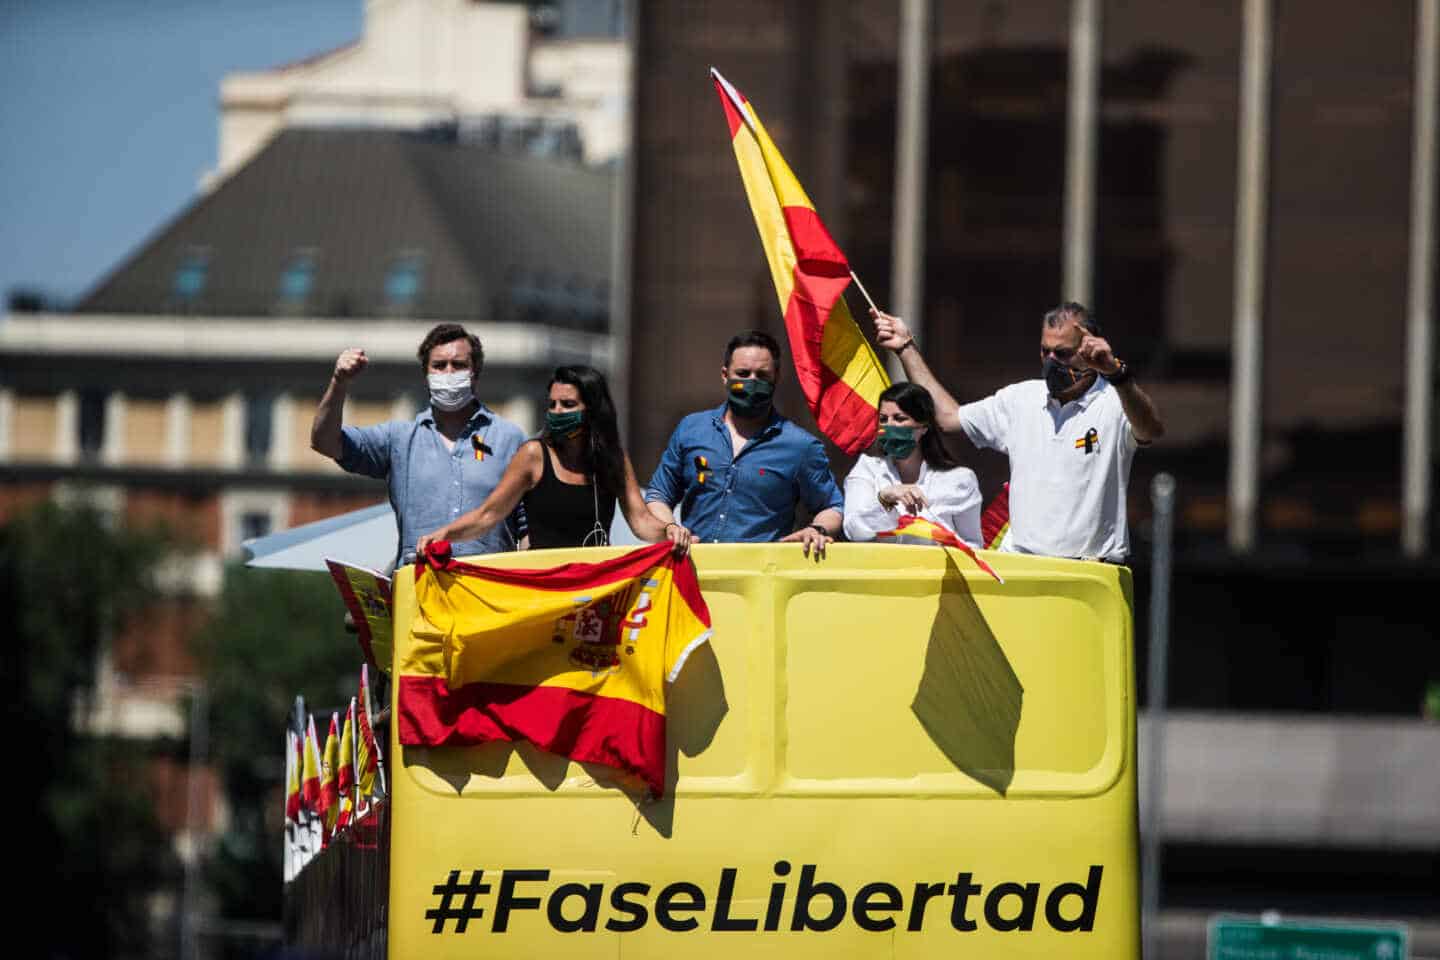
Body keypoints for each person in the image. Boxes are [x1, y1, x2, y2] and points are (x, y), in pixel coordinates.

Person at [872, 301, 1164, 562]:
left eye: (1062, 353)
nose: (1051, 361)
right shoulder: (1020, 399)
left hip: (1088, 572)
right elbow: (948, 418)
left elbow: (1150, 429)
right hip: (1022, 565)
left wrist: (1116, 374)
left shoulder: (1115, 402)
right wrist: (906, 348)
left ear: (1088, 352)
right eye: (1045, 350)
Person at [310, 323, 527, 567]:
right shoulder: (399, 439)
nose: (448, 372)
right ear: (426, 374)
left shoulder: (510, 439)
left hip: (488, 591)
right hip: (419, 587)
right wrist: (339, 382)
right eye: (439, 365)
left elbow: (527, 528)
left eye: (458, 365)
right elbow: (325, 442)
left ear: (475, 373)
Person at [415, 365, 693, 555]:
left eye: (568, 405)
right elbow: (489, 514)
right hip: (544, 584)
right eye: (552, 404)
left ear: (593, 410)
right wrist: (445, 535)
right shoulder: (533, 455)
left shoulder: (612, 457)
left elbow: (641, 520)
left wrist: (669, 531)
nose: (557, 411)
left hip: (594, 585)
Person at [644, 330, 843, 557]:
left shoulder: (800, 446)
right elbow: (659, 495)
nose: (751, 382)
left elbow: (832, 507)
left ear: (776, 377)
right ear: (725, 375)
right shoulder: (691, 430)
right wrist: (671, 529)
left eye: (762, 375)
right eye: (743, 373)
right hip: (693, 571)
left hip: (759, 579)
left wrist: (816, 529)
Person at [842, 382, 982, 545]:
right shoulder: (867, 469)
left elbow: (972, 543)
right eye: (883, 419)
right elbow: (854, 530)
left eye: (899, 419)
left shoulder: (960, 479)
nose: (889, 426)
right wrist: (885, 498)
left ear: (923, 427)